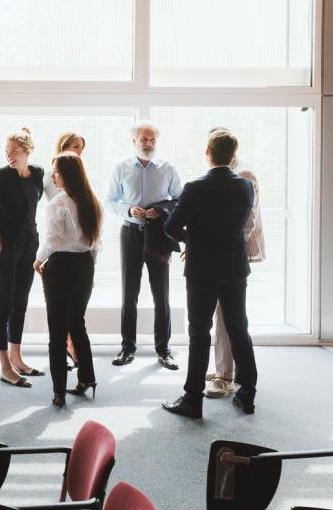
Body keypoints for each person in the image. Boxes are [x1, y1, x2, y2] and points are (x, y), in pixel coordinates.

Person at [162, 129, 259, 419]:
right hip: (234, 266)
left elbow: (170, 227)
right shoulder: (245, 187)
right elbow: (240, 222)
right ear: (233, 156)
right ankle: (247, 393)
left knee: (199, 331)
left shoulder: (195, 187)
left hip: (202, 267)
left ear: (207, 152)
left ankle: (193, 398)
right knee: (238, 328)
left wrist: (191, 239)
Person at [105, 121, 184, 370]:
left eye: (152, 140)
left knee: (161, 294)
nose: (148, 143)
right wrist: (128, 209)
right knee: (129, 294)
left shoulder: (167, 168)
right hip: (130, 234)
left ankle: (164, 349)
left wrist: (159, 211)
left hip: (158, 235)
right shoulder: (121, 168)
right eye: (144, 139)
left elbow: (180, 200)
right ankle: (127, 347)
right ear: (134, 141)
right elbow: (109, 201)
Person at [34, 152, 102, 408]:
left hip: (61, 266)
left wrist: (38, 260)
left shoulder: (59, 203)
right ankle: (87, 378)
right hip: (85, 265)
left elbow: (52, 239)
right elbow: (96, 243)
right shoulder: (93, 201)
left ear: (68, 175)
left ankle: (58, 390)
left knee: (57, 330)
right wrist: (91, 270)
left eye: (57, 172)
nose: (53, 176)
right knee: (78, 324)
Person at [0, 127, 45, 387]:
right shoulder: (1, 175)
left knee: (21, 303)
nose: (10, 156)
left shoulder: (39, 174)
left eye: (15, 152)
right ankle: (4, 366)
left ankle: (17, 358)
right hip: (6, 246)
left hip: (30, 243)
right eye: (7, 152)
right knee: (4, 305)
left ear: (27, 152)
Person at [206, 143, 265, 399]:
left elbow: (246, 222)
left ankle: (226, 377)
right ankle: (224, 366)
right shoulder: (228, 172)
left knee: (230, 318)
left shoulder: (243, 174)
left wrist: (217, 247)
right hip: (228, 254)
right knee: (226, 315)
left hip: (231, 255)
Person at [45, 132, 87, 364]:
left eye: (80, 146)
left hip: (77, 253)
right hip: (57, 250)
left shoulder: (81, 177)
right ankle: (63, 350)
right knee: (59, 314)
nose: (77, 150)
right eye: (72, 145)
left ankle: (72, 348)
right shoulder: (52, 176)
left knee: (74, 315)